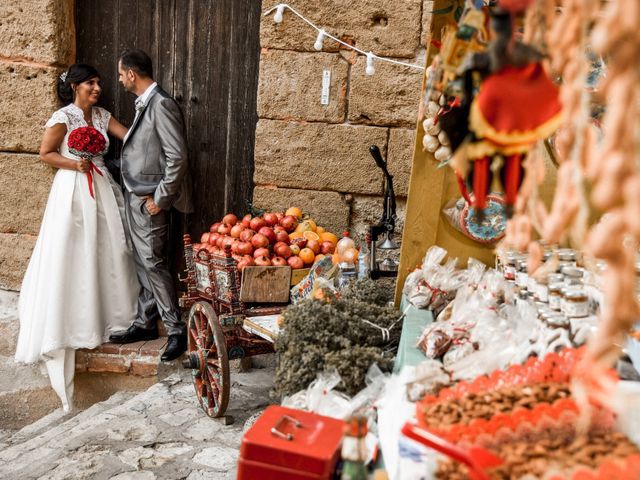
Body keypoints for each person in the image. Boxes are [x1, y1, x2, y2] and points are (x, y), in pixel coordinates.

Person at [15, 64, 139, 412]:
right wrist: (75, 165)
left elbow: (127, 135)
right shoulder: (63, 117)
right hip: (72, 191)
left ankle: (112, 315)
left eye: (99, 82)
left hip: (101, 186)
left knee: (112, 248)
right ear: (75, 87)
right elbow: (46, 153)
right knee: (73, 251)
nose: (98, 87)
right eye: (91, 83)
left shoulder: (101, 115)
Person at [109, 49, 192, 362]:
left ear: (132, 74)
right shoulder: (145, 103)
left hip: (150, 200)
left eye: (120, 74)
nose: (119, 79)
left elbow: (177, 157)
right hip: (135, 194)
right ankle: (145, 322)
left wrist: (161, 199)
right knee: (141, 260)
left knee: (153, 262)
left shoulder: (162, 104)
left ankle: (175, 330)